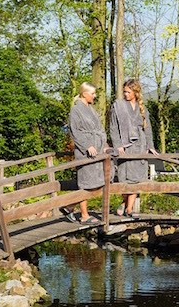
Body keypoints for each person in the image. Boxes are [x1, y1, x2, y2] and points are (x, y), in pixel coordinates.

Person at [110, 79, 158, 218]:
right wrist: (118, 145)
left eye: (128, 92)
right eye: (124, 92)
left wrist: (150, 146)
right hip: (125, 147)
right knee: (125, 178)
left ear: (136, 92)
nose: (125, 94)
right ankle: (124, 203)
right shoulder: (118, 106)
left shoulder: (142, 108)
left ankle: (129, 209)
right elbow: (113, 127)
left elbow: (147, 129)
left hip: (140, 147)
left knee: (137, 179)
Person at [61, 82, 108, 225]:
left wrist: (104, 144)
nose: (94, 96)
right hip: (85, 151)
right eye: (92, 94)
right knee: (85, 183)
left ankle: (69, 207)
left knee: (97, 183)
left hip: (97, 149)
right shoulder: (76, 110)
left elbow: (99, 128)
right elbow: (75, 131)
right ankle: (84, 215)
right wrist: (87, 145)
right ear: (84, 93)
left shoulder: (91, 109)